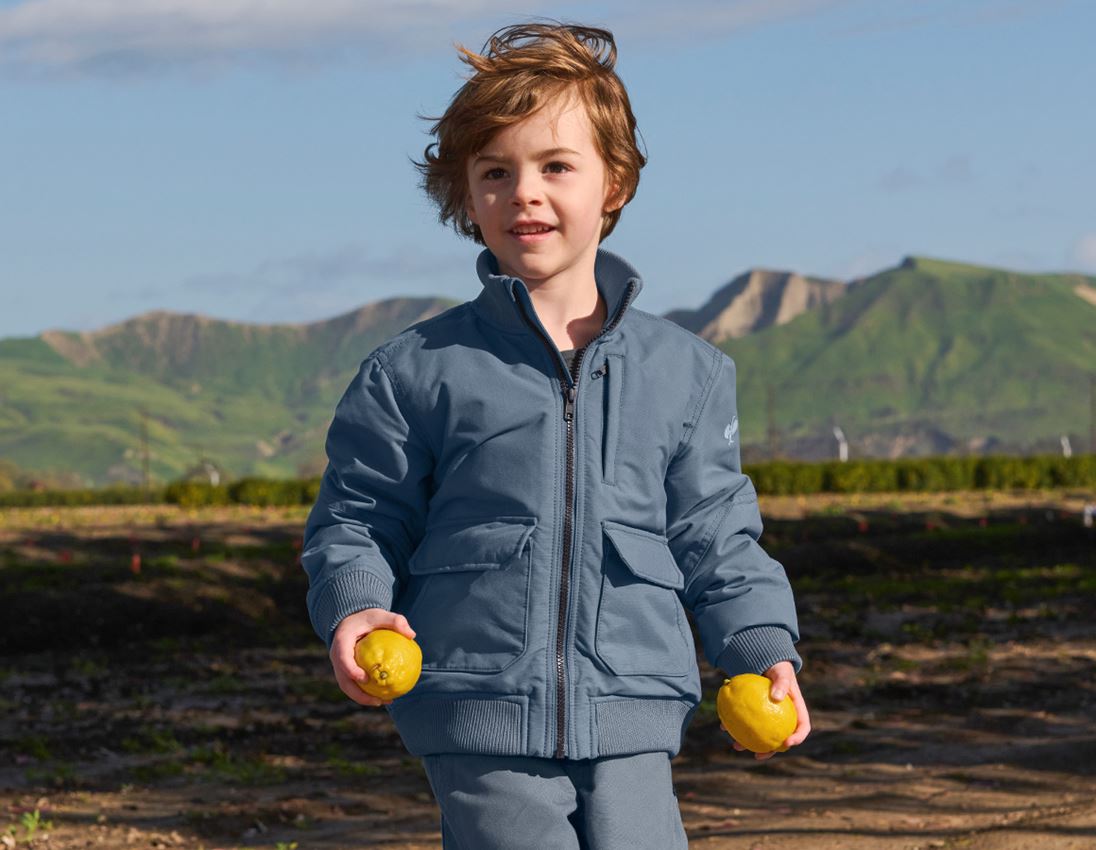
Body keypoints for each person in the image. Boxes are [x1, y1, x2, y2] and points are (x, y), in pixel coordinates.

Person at [300, 19, 810, 849]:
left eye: (555, 166)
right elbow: (358, 516)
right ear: (465, 194)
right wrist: (357, 607)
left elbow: (717, 534)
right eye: (495, 172)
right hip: (476, 708)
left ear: (614, 183)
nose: (523, 193)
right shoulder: (416, 369)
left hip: (636, 708)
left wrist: (758, 647)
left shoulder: (688, 372)